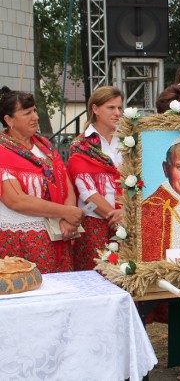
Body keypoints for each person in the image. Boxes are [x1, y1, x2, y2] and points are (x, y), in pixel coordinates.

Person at [0, 86, 84, 273]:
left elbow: (64, 181)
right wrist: (65, 212)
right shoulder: (2, 152)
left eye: (35, 111)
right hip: (22, 241)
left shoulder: (44, 146)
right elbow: (16, 200)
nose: (35, 117)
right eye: (27, 113)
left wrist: (68, 218)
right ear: (9, 120)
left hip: (57, 236)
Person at [67, 86, 125, 270]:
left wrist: (127, 215)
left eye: (120, 108)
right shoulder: (81, 145)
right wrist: (116, 218)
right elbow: (87, 191)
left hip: (128, 219)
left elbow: (140, 180)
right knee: (96, 275)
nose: (117, 113)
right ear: (95, 109)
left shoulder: (129, 141)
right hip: (94, 221)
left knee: (128, 277)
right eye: (111, 108)